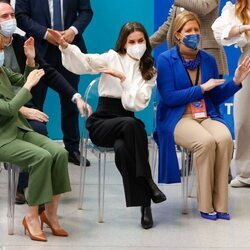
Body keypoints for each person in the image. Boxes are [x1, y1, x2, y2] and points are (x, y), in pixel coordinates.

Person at [48, 21, 167, 229]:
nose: (137, 45)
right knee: (135, 126)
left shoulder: (149, 69)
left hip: (126, 119)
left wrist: (123, 80)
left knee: (123, 147)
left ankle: (144, 203)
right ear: (123, 42)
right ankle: (149, 183)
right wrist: (66, 46)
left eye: (140, 41)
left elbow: (135, 103)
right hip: (103, 121)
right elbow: (84, 63)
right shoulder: (111, 57)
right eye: (132, 41)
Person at [155, 11, 250, 220]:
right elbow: (169, 98)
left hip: (205, 114)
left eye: (196, 30)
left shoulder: (208, 59)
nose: (194, 34)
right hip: (177, 116)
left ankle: (221, 205)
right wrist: (200, 89)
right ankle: (205, 205)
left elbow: (214, 97)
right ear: (178, 34)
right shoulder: (165, 60)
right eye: (188, 30)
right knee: (205, 142)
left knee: (225, 139)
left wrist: (235, 81)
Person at [0, 1, 91, 205]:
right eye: (4, 17)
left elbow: (46, 72)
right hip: (5, 115)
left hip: (16, 106)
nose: (10, 20)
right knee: (36, 133)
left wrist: (75, 96)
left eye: (11, 15)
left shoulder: (19, 42)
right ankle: (27, 191)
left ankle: (46, 205)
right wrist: (21, 110)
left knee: (44, 135)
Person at [0, 34, 72, 241]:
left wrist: (30, 60)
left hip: (16, 129)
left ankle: (50, 214)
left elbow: (22, 79)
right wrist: (28, 86)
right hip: (3, 138)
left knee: (59, 153)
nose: (2, 55)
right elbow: (9, 108)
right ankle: (31, 217)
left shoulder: (1, 70)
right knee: (41, 157)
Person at [15, 0, 93, 166]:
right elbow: (20, 16)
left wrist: (73, 31)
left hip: (68, 49)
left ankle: (72, 149)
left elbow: (86, 12)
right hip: (38, 49)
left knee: (71, 101)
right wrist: (45, 34)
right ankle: (35, 149)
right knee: (34, 104)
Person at [212, 0, 250, 188]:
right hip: (248, 60)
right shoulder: (234, 10)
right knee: (243, 119)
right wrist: (244, 27)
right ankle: (245, 173)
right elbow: (221, 33)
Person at [150, 0, 228, 77]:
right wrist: (147, 45)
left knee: (208, 89)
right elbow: (170, 24)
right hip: (180, 58)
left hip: (206, 56)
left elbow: (203, 8)